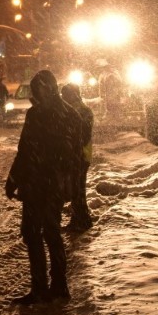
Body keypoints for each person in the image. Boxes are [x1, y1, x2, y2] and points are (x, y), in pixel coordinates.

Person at [4, 69, 83, 304]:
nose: (36, 95)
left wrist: (18, 178)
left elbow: (72, 156)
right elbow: (25, 150)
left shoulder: (52, 115)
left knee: (46, 232)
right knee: (38, 233)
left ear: (48, 89)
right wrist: (14, 179)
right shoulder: (62, 115)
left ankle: (51, 286)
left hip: (45, 184)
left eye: (39, 90)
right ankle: (49, 286)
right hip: (41, 184)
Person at [61, 82, 95, 232]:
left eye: (66, 95)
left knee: (77, 188)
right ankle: (78, 219)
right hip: (76, 156)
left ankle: (82, 220)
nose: (63, 98)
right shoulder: (75, 109)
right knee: (76, 188)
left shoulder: (82, 111)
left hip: (80, 156)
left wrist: (74, 149)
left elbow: (84, 136)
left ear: (73, 94)